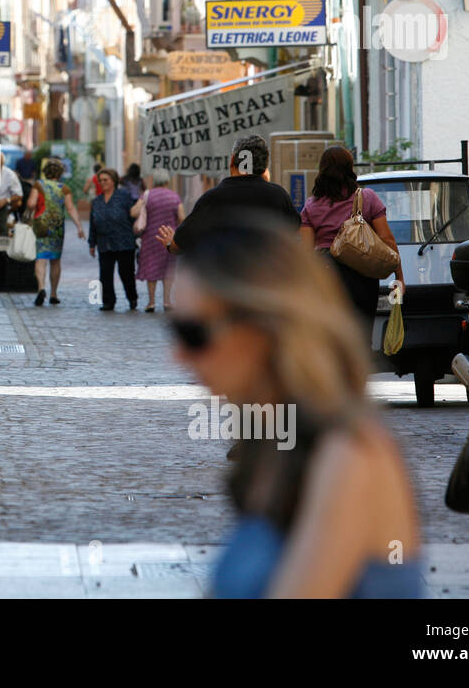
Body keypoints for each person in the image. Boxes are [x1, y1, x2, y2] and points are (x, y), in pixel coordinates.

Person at [167, 215, 423, 598]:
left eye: (194, 334)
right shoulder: (273, 443)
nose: (179, 356)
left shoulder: (350, 454)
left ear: (264, 327)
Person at [298, 146, 404, 329]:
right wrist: (399, 277)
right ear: (349, 168)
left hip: (326, 278)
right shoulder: (367, 198)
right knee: (362, 338)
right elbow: (387, 239)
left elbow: (306, 253)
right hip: (362, 276)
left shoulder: (311, 206)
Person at [155, 135, 300, 257]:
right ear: (264, 166)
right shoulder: (279, 196)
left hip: (226, 285)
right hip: (270, 284)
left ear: (232, 161)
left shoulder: (212, 199)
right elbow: (295, 234)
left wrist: (169, 244)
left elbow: (180, 245)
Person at [26, 157, 85, 306]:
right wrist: (79, 226)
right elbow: (70, 208)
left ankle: (41, 288)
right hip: (57, 227)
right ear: (60, 173)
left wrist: (30, 209)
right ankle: (53, 293)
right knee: (55, 260)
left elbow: (31, 203)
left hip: (41, 225)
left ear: (45, 172)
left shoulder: (38, 185)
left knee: (40, 258)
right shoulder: (64, 188)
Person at [132, 170, 184, 312]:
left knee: (151, 268)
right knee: (168, 270)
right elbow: (182, 218)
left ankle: (151, 302)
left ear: (154, 181)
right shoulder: (174, 197)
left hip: (150, 238)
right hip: (169, 238)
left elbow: (133, 212)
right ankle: (167, 302)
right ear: (167, 181)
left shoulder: (148, 195)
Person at [88, 167, 139, 312]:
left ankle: (132, 298)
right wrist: (92, 243)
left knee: (126, 274)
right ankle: (108, 302)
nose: (102, 183)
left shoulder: (124, 196)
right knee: (105, 274)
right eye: (100, 181)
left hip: (124, 242)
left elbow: (133, 215)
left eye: (105, 180)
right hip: (104, 243)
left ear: (113, 181)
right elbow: (93, 223)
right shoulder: (96, 201)